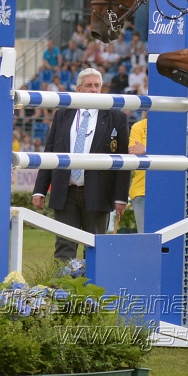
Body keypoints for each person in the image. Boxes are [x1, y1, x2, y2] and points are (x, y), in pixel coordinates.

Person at [32, 68, 131, 261]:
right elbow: (50, 152)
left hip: (98, 191)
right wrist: (40, 190)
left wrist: (120, 197)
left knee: (94, 248)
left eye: (97, 86)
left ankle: (91, 289)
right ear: (78, 89)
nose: (94, 90)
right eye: (89, 85)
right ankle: (61, 289)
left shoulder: (116, 118)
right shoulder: (62, 115)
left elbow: (123, 160)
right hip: (65, 191)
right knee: (64, 247)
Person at [128, 115, 147, 234]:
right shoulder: (139, 126)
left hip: (168, 191)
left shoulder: (174, 127)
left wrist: (146, 149)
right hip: (141, 191)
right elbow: (133, 151)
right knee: (146, 239)